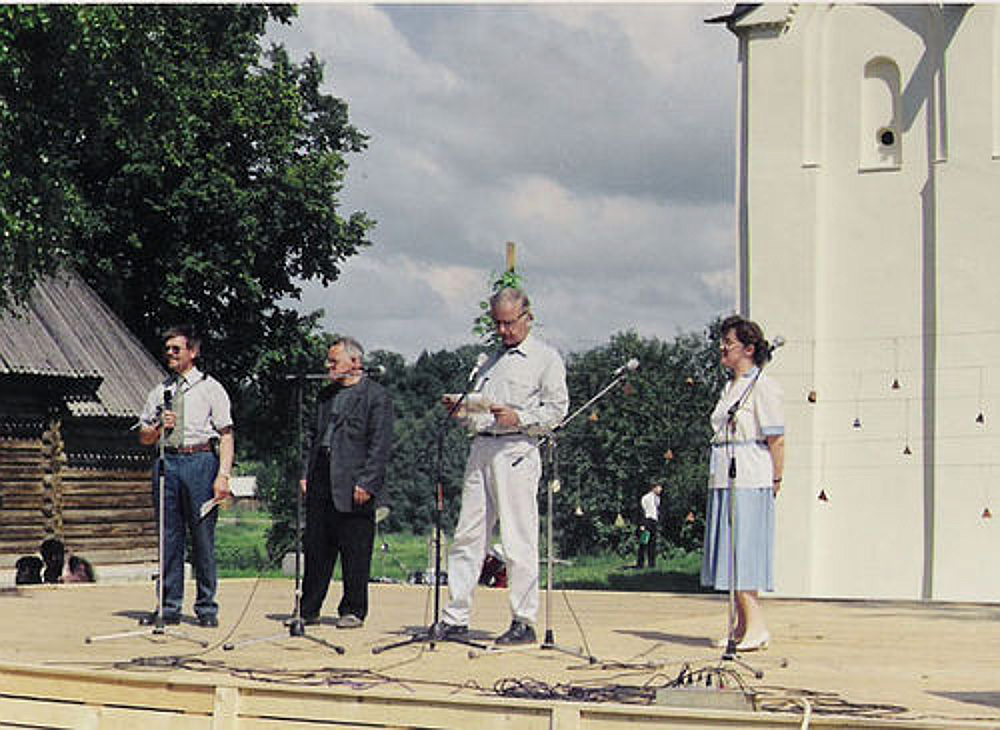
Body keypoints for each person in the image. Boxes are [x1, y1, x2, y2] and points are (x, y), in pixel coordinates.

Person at [431, 287, 569, 646]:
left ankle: (523, 620)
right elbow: (480, 412)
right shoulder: (487, 361)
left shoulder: (545, 358)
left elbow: (557, 411)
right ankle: (456, 615)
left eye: (510, 323)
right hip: (482, 448)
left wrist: (520, 417)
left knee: (518, 537)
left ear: (528, 317)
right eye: (498, 324)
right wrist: (462, 412)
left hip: (518, 449)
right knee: (468, 534)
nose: (505, 331)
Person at [139, 325, 234, 627]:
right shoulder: (160, 391)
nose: (170, 354)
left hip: (200, 460)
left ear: (193, 352)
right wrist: (158, 428)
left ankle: (207, 607)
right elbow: (144, 436)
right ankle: (168, 605)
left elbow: (227, 434)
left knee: (203, 537)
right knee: (169, 537)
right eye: (167, 349)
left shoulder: (210, 388)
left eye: (176, 349)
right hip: (168, 462)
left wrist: (223, 475)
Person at [701, 315, 784, 652]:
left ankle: (757, 626)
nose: (722, 348)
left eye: (729, 343)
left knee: (743, 551)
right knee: (729, 551)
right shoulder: (730, 387)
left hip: (749, 474)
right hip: (724, 474)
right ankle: (741, 625)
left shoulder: (763, 385)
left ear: (749, 349)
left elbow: (777, 438)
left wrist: (777, 477)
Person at [300, 337, 393, 629]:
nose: (328, 367)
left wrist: (367, 482)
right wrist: (305, 473)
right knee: (316, 546)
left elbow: (380, 445)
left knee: (355, 548)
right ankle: (308, 609)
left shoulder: (375, 396)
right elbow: (311, 437)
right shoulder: (326, 395)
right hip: (322, 474)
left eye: (333, 361)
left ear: (355, 363)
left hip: (354, 479)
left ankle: (353, 609)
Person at [636, 483, 663, 569]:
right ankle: (640, 563)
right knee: (644, 542)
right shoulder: (646, 497)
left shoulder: (658, 498)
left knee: (652, 543)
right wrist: (642, 524)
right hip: (647, 521)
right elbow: (642, 511)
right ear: (654, 488)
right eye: (659, 488)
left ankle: (651, 564)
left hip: (654, 522)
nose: (661, 489)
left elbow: (656, 510)